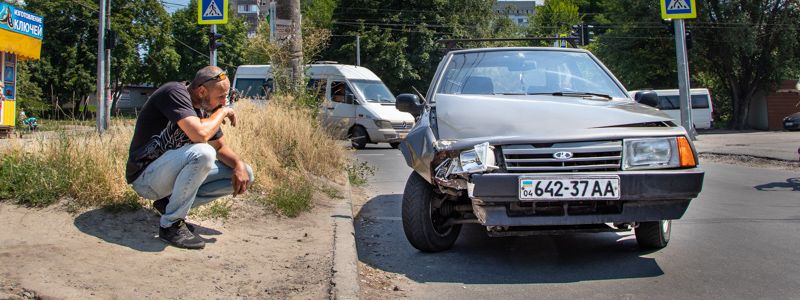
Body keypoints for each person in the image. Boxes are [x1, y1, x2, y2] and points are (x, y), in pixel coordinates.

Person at [126, 66, 254, 250]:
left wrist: (239, 164)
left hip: (167, 177)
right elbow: (200, 135)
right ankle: (170, 225)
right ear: (202, 91)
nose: (224, 101)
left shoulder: (207, 109)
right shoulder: (174, 92)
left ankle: (168, 204)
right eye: (220, 97)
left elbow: (220, 147)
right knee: (203, 152)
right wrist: (224, 112)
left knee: (245, 172)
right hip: (146, 176)